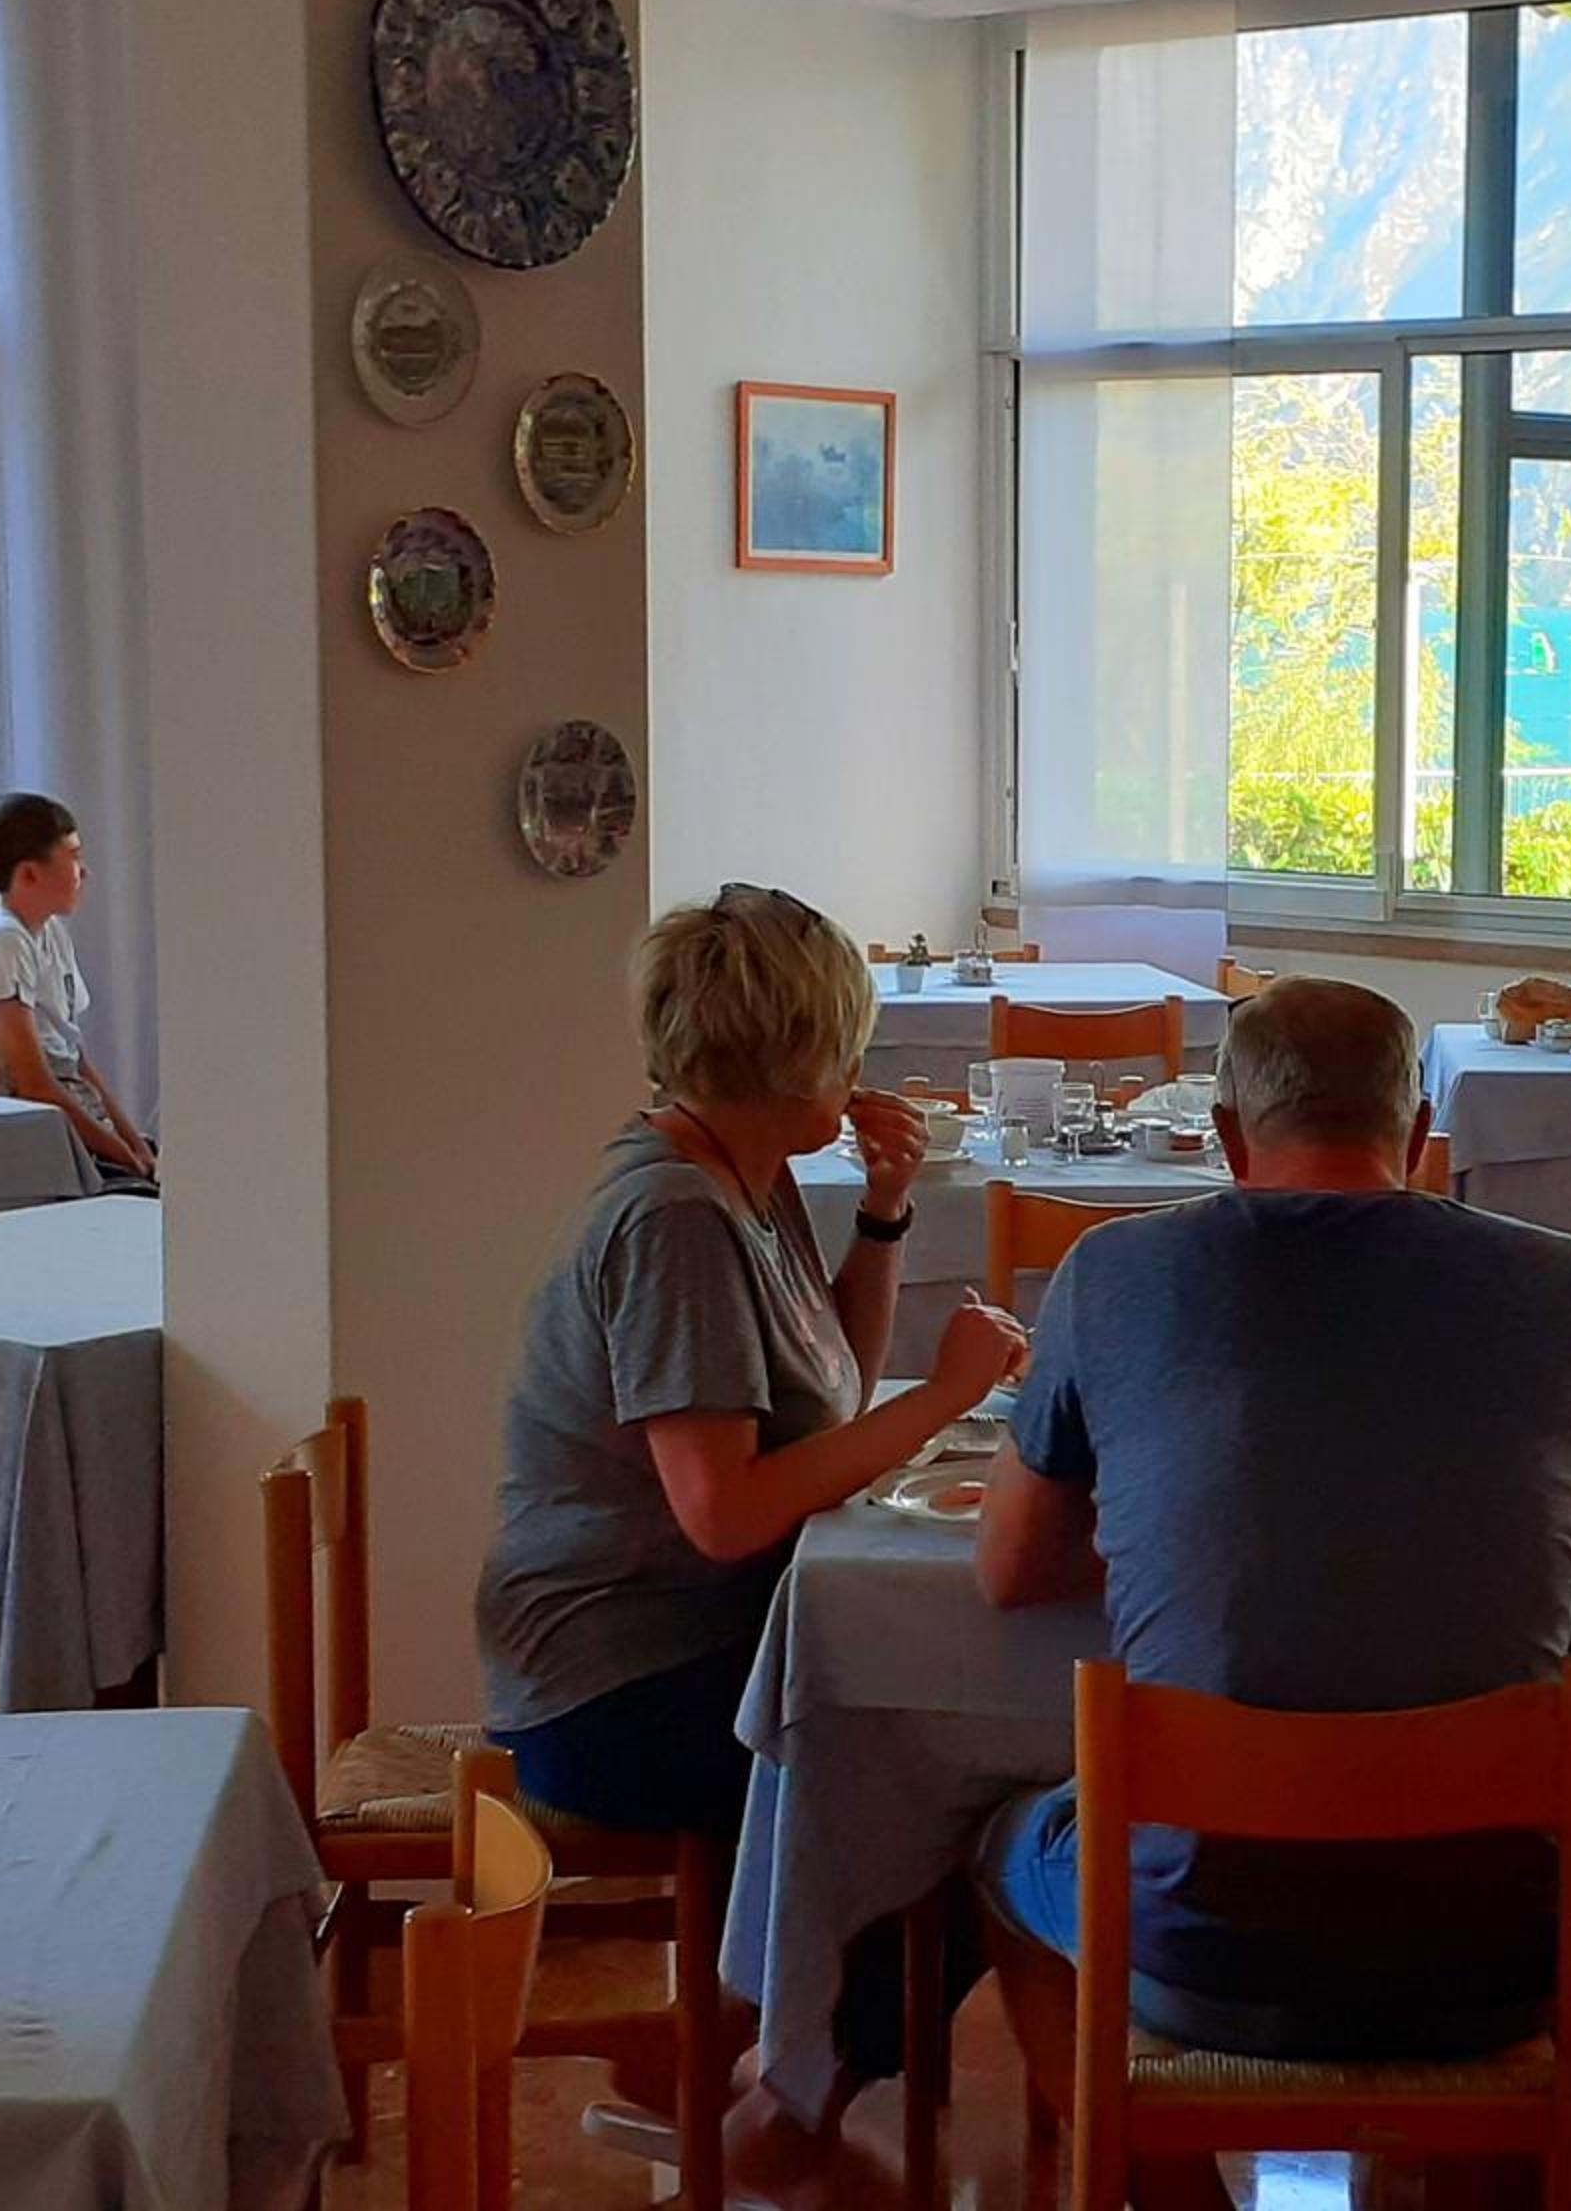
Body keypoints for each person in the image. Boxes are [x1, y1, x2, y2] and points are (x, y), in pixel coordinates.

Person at [972, 974, 1571, 2080]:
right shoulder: (1567, 1285)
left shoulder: (1109, 1273)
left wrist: (1183, 1536)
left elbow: (1010, 1569)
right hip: (1493, 1946)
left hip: (1203, 1943)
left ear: (1224, 1135)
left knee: (999, 1848)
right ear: (1422, 1129)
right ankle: (1457, 2151)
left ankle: (1151, 2152)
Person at [473, 882, 1027, 2188]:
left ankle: (745, 2053)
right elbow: (723, 1515)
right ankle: (786, 2090)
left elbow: (830, 1384)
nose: (861, 1068)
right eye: (848, 1045)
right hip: (610, 1678)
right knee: (953, 1771)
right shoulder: (675, 1214)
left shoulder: (739, 1173)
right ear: (799, 1054)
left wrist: (883, 1212)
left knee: (945, 1728)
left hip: (691, 1637)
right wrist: (948, 1397)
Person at [0, 792, 156, 1187]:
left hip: (76, 1120)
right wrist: (123, 1155)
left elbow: (76, 1059)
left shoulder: (53, 934)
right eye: (73, 857)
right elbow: (34, 1085)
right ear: (29, 874)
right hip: (40, 1136)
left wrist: (134, 1145)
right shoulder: (0, 941)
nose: (84, 872)